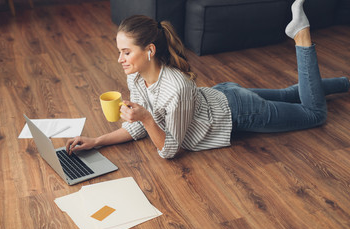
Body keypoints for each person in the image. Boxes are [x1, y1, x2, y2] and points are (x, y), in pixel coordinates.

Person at [66, 0, 349, 159]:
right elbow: (139, 129)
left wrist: (147, 118)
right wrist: (97, 140)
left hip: (240, 112)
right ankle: (345, 83)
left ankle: (302, 36)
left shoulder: (176, 88)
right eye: (119, 52)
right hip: (225, 95)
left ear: (149, 51)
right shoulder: (138, 79)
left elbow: (170, 149)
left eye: (126, 52)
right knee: (290, 94)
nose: (120, 59)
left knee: (313, 113)